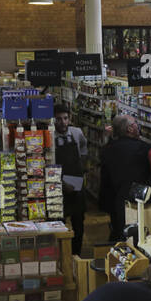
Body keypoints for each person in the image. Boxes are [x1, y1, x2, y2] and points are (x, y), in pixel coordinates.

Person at [98, 113, 151, 241]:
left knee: (119, 233)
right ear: (130, 129)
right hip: (136, 203)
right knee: (134, 237)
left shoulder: (107, 150)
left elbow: (105, 180)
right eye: (136, 124)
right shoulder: (142, 149)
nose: (138, 127)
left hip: (115, 201)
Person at [54, 106, 87, 256]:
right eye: (59, 119)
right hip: (56, 185)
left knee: (79, 222)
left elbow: (83, 152)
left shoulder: (77, 133)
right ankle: (61, 253)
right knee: (58, 221)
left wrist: (80, 176)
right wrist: (61, 183)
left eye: (65, 118)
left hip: (77, 184)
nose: (62, 122)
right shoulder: (49, 136)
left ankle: (76, 253)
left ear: (70, 118)